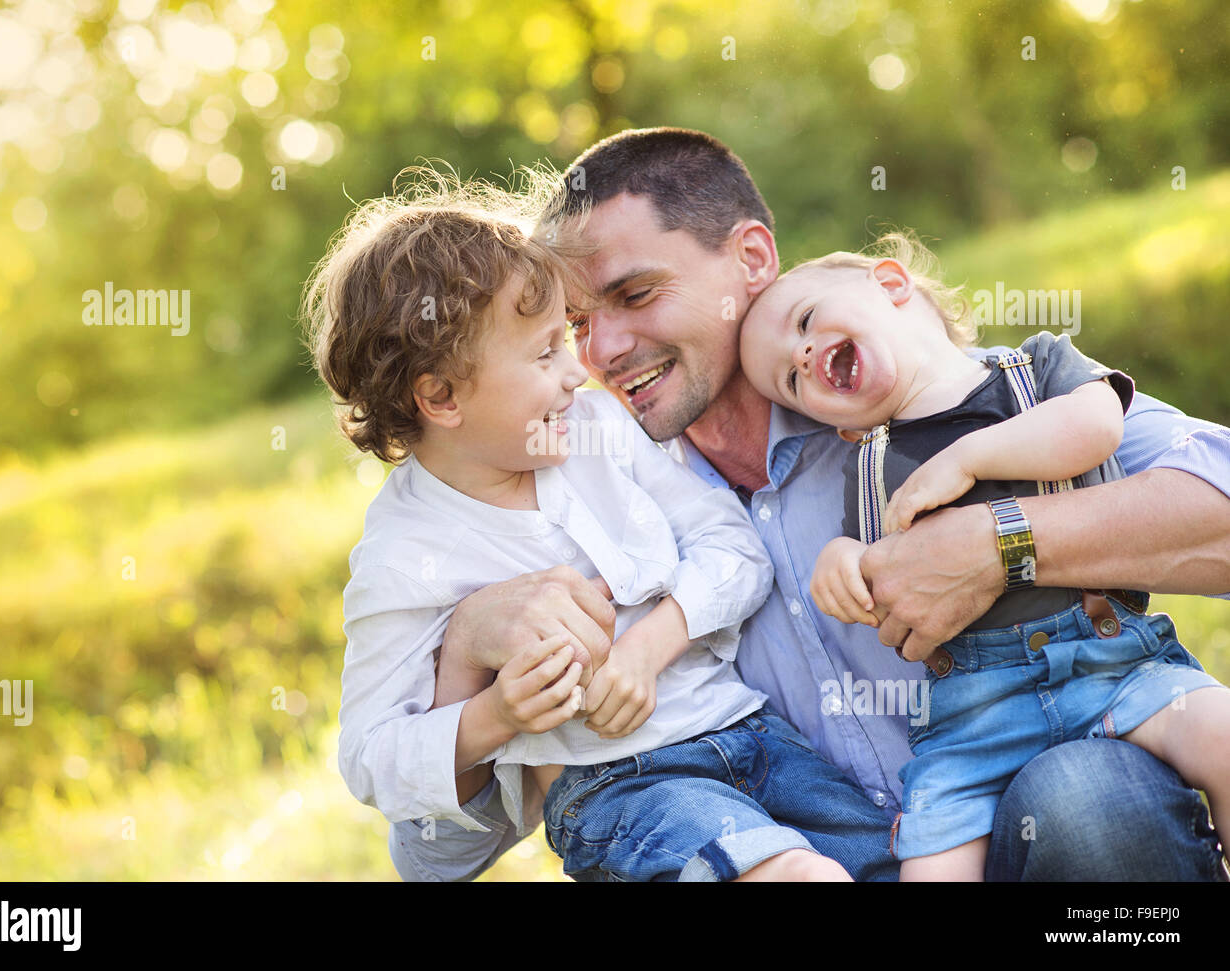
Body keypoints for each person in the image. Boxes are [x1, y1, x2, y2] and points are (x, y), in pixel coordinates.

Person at [389, 128, 1230, 881]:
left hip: (1028, 829)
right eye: (574, 325)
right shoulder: (572, 493)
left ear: (752, 259)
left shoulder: (941, 394)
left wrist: (1001, 539)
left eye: (636, 296)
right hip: (818, 861)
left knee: (1086, 795)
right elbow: (434, 855)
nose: (602, 350)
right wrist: (465, 649)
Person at [303, 170, 899, 881]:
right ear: (440, 396)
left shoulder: (599, 433)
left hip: (749, 733)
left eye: (568, 338)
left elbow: (731, 544)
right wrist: (495, 713)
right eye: (545, 351)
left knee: (895, 862)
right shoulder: (405, 551)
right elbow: (372, 756)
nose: (576, 372)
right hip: (625, 788)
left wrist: (651, 644)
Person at [737, 236, 1230, 880]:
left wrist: (968, 461)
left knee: (1222, 737)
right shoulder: (870, 462)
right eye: (793, 381)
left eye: (805, 322)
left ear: (891, 283)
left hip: (1110, 663)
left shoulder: (1035, 370)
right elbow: (878, 564)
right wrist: (840, 560)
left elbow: (1094, 429)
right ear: (841, 428)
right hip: (972, 717)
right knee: (928, 865)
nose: (803, 355)